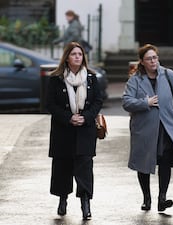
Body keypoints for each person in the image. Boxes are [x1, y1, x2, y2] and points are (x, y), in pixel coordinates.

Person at [122, 44, 173, 212]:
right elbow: (126, 102)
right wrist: (146, 103)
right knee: (143, 163)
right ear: (142, 62)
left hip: (166, 128)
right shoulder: (135, 80)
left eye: (155, 58)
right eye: (149, 59)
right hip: (143, 130)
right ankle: (147, 198)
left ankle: (162, 198)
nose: (153, 61)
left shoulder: (169, 75)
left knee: (165, 161)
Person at [46, 42, 102, 220]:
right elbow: (50, 104)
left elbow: (98, 101)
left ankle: (86, 204)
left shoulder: (92, 78)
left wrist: (85, 116)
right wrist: (68, 117)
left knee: (85, 167)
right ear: (67, 58)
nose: (78, 57)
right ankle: (63, 200)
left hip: (85, 130)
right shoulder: (56, 79)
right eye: (74, 54)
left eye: (80, 54)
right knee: (63, 166)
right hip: (63, 130)